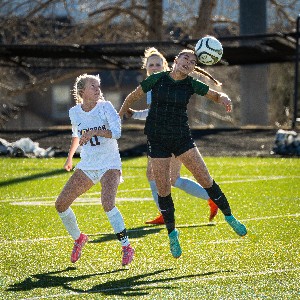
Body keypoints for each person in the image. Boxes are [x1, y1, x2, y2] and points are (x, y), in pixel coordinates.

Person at [119, 49, 247, 259]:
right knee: (164, 190)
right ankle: (172, 234)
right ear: (175, 61)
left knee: (206, 179)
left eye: (193, 61)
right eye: (185, 58)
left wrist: (223, 97)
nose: (188, 62)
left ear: (193, 68)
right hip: (157, 141)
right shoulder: (157, 79)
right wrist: (120, 113)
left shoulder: (190, 84)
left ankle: (230, 217)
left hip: (182, 140)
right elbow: (132, 96)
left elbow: (214, 95)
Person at [126, 47, 221, 225]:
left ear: (165, 65)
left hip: (169, 136)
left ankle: (166, 213)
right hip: (167, 135)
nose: (154, 67)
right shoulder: (155, 83)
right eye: (151, 64)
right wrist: (135, 114)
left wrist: (135, 114)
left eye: (158, 64)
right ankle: (211, 197)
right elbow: (155, 113)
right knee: (173, 178)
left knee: (155, 175)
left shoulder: (163, 82)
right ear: (146, 67)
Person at [55, 74, 134, 266]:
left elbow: (117, 132)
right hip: (88, 164)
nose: (98, 89)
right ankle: (79, 238)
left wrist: (95, 131)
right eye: (93, 86)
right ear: (82, 92)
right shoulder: (74, 112)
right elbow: (76, 135)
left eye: (99, 86)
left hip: (110, 163)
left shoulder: (106, 107)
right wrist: (70, 157)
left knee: (107, 203)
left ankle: (126, 247)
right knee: (61, 204)